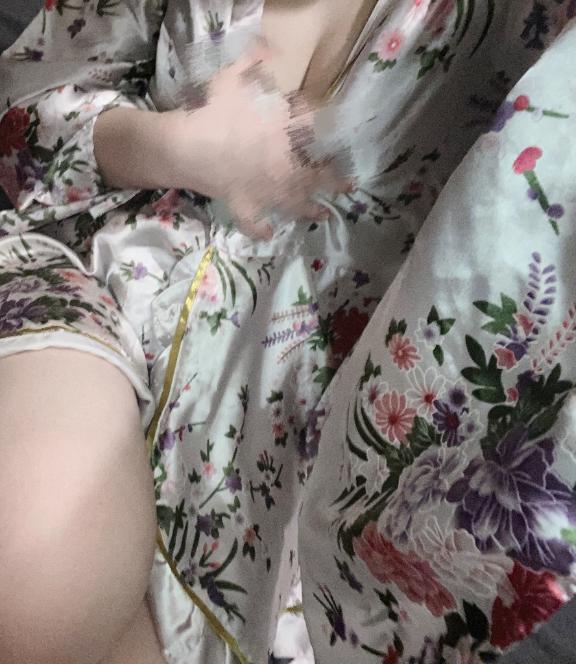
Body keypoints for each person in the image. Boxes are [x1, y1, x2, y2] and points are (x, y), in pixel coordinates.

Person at [0, 1, 575, 663]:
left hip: (305, 461)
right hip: (94, 287)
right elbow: (28, 116)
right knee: (39, 586)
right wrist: (176, 147)